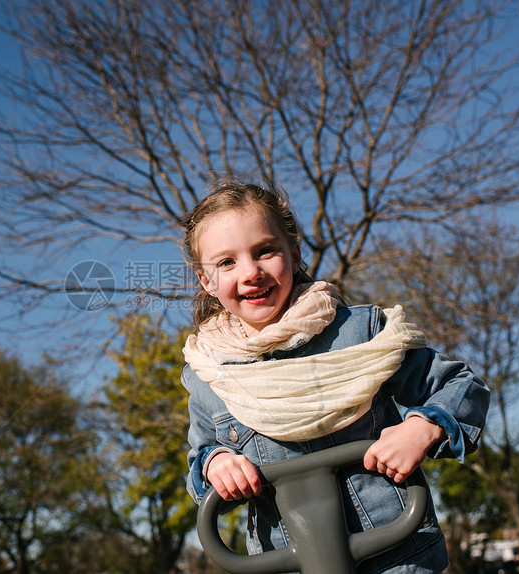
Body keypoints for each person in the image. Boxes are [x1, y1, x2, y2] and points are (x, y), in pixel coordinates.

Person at [181, 176, 490, 574]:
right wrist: (217, 463)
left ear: (293, 252)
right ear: (207, 282)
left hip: (396, 555)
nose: (251, 272)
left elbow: (461, 385)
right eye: (226, 262)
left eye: (266, 251)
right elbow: (201, 460)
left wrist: (422, 427)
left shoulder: (359, 334)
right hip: (286, 563)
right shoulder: (209, 372)